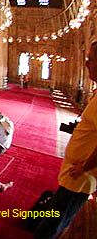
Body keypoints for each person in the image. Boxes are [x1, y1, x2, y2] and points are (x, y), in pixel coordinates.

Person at [34, 41, 97, 238]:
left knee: (48, 229)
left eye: (91, 59)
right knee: (56, 220)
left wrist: (84, 167)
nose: (86, 64)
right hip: (76, 175)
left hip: (79, 178)